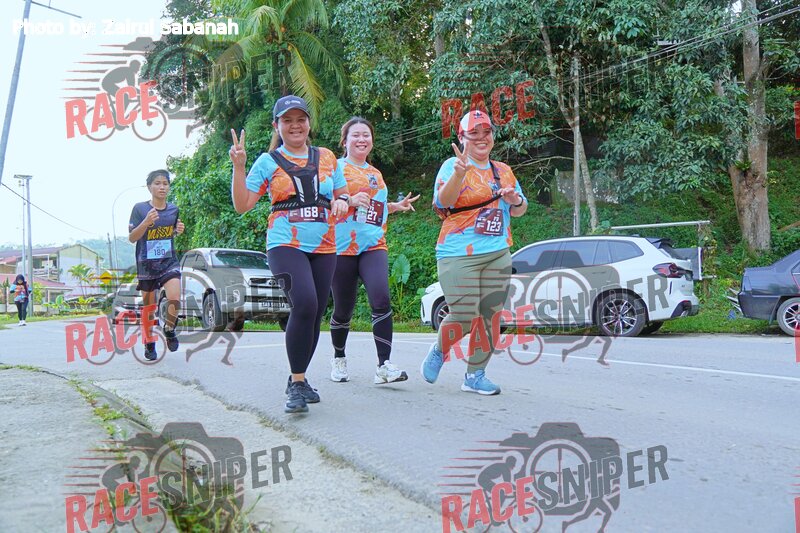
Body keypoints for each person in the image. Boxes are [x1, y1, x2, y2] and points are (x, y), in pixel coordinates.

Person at [230, 95, 349, 413]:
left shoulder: (327, 157)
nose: (295, 125)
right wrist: (239, 167)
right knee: (305, 303)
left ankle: (300, 377)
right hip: (285, 244)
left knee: (315, 312)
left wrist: (342, 202)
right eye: (287, 120)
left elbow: (342, 194)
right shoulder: (268, 162)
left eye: (300, 119)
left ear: (309, 123)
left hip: (325, 245)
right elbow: (242, 205)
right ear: (277, 126)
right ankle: (296, 385)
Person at [420, 110, 528, 395]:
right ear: (462, 137)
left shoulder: (503, 170)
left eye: (486, 132)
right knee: (465, 315)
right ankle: (439, 349)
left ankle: (475, 375)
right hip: (458, 253)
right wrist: (460, 173)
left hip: (497, 252)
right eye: (474, 133)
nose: (482, 138)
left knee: (491, 315)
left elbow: (520, 209)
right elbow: (443, 202)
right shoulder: (452, 166)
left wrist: (515, 199)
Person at [329, 117, 420, 384]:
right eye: (355, 135)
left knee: (381, 299)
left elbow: (373, 208)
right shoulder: (334, 168)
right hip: (341, 248)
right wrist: (349, 200)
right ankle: (339, 357)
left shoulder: (375, 174)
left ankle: (384, 365)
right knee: (343, 310)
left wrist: (394, 207)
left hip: (373, 245)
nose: (361, 139)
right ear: (345, 141)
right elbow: (323, 202)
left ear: (372, 141)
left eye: (366, 135)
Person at [128, 169, 185, 361]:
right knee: (149, 308)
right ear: (149, 187)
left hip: (168, 262)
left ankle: (169, 328)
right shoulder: (139, 209)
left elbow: (170, 233)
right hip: (146, 265)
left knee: (174, 298)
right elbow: (132, 237)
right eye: (157, 183)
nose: (162, 187)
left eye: (165, 183)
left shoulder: (173, 210)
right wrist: (145, 222)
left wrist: (177, 230)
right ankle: (149, 342)